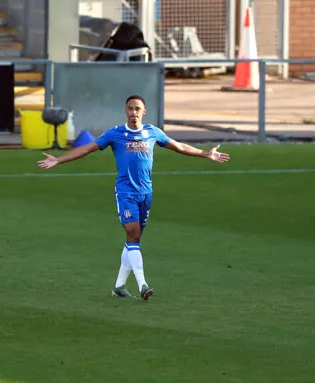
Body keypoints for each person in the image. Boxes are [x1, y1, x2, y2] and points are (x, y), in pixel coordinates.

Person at [37, 95, 230, 300]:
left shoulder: (153, 133)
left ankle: (119, 287)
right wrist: (59, 159)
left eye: (138, 109)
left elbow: (180, 147)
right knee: (133, 234)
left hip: (146, 193)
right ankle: (142, 284)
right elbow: (88, 148)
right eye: (130, 109)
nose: (134, 112)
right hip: (125, 192)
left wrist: (205, 154)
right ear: (126, 111)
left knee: (133, 240)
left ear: (144, 111)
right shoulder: (115, 134)